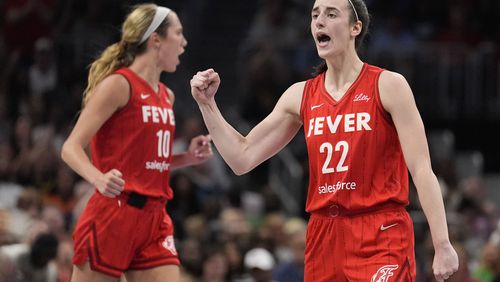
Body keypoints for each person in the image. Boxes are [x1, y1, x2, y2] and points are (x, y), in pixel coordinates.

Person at [190, 0, 459, 281]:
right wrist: (208, 106)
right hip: (323, 235)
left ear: (356, 27)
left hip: (380, 230)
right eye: (315, 14)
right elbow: (241, 158)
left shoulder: (389, 85)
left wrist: (441, 244)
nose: (319, 21)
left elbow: (421, 170)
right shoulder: (300, 95)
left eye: (331, 14)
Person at [61, 4, 212, 282]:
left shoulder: (167, 95)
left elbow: (148, 162)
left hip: (155, 218)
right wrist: (98, 178)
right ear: (156, 40)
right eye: (178, 34)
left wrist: (187, 158)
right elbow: (70, 147)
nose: (184, 43)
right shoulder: (119, 85)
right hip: (114, 212)